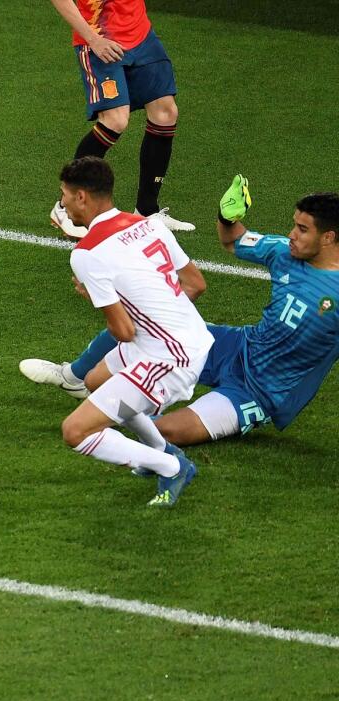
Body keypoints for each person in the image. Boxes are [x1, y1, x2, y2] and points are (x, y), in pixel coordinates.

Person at [23, 180, 339, 446]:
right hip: (234, 346)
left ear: (328, 238)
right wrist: (226, 217)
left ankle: (131, 418)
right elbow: (234, 240)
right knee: (136, 333)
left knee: (165, 432)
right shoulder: (283, 252)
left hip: (260, 391)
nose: (292, 235)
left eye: (302, 229)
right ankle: (73, 376)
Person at [53, 157, 212, 508]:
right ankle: (161, 448)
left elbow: (123, 331)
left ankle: (171, 466)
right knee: (96, 380)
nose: (62, 203)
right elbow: (196, 284)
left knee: (75, 431)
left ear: (81, 197)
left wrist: (95, 297)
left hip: (169, 357)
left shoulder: (87, 253)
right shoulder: (150, 224)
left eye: (64, 195)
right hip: (188, 336)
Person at [48, 0, 194, 238]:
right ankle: (65, 206)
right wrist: (93, 40)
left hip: (140, 35)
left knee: (166, 113)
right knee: (115, 119)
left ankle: (146, 211)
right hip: (99, 37)